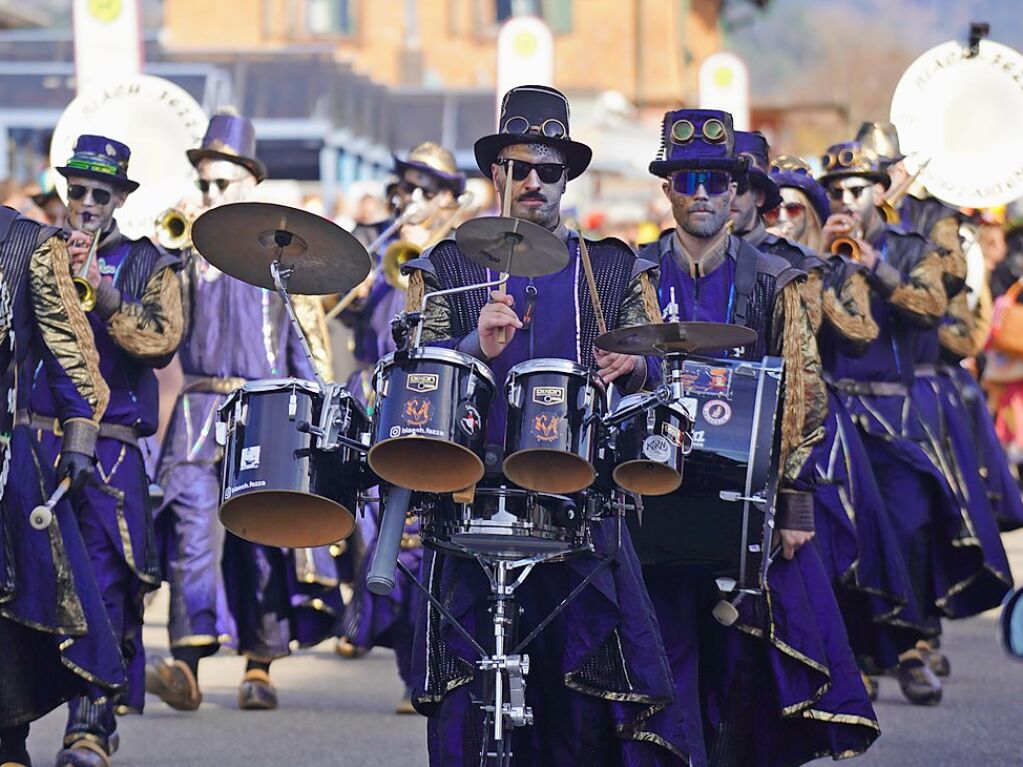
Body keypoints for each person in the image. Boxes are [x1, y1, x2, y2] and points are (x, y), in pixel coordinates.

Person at [405, 84, 683, 765]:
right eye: (518, 168)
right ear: (495, 172)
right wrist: (475, 346)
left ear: (567, 178)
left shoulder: (614, 266)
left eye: (548, 170)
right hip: (471, 494)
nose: (532, 182)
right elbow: (413, 362)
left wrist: (635, 362)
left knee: (583, 697)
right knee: (471, 696)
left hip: (578, 498)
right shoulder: (448, 264)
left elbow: (662, 375)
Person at [634, 109, 877, 766]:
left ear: (737, 190)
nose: (704, 194)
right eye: (689, 181)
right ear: (669, 191)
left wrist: (795, 498)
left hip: (751, 500)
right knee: (660, 655)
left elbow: (804, 390)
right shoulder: (637, 274)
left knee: (744, 664)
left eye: (717, 180)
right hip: (654, 494)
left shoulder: (775, 277)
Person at [146, 110, 340, 713]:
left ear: (251, 185)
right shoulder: (183, 254)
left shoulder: (282, 259)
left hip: (264, 411)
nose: (210, 194)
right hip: (199, 408)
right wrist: (170, 253)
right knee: (190, 535)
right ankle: (188, 660)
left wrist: (320, 421)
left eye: (222, 184)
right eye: (205, 184)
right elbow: (157, 333)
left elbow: (307, 348)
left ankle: (259, 665)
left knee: (262, 542)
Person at [816, 139, 1014, 702]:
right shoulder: (815, 248)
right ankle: (859, 657)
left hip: (899, 412)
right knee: (849, 533)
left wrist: (873, 267)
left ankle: (913, 647)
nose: (845, 200)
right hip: (840, 411)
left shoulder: (910, 247)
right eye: (835, 190)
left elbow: (931, 306)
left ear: (881, 193)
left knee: (910, 527)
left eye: (857, 189)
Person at [21, 135, 184, 764]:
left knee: (106, 583)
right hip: (36, 437)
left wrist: (104, 293)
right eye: (77, 190)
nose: (85, 204)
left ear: (119, 199)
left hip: (112, 447)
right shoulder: (37, 253)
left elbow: (163, 340)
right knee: (28, 582)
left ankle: (90, 722)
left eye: (99, 193)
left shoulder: (152, 263)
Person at [338, 142, 468, 714]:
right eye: (406, 187)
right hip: (373, 389)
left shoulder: (461, 247)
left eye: (427, 190)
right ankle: (399, 655)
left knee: (416, 533)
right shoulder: (381, 242)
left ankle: (421, 673)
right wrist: (353, 291)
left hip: (427, 394)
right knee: (372, 528)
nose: (412, 199)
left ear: (449, 199)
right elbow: (343, 315)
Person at [0, 207, 126, 767]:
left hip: (7, 455)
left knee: (10, 612)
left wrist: (78, 434)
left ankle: (8, 744)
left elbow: (68, 350)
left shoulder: (30, 242)